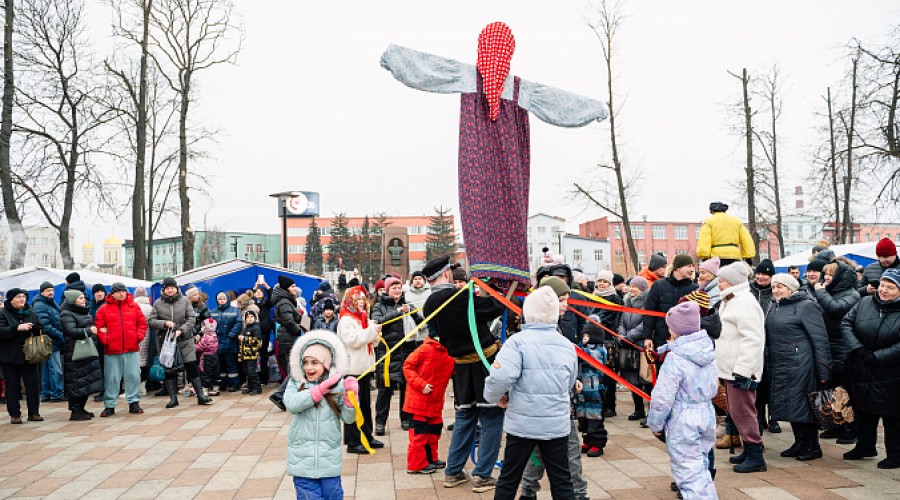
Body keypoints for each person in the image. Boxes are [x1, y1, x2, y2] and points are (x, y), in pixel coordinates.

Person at [485, 286, 578, 500]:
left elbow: (500, 376)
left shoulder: (517, 342)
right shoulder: (566, 345)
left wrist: (494, 396)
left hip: (522, 423)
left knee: (509, 478)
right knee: (562, 480)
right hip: (555, 423)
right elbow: (570, 381)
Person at [423, 255, 506, 493]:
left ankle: (453, 472)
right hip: (483, 362)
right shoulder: (459, 296)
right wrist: (500, 289)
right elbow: (492, 309)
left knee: (465, 416)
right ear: (447, 274)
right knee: (491, 418)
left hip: (460, 366)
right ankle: (482, 475)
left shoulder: (430, 303)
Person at [518, 276, 590, 500]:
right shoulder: (532, 335)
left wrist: (572, 379)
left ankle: (531, 492)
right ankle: (572, 494)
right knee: (559, 453)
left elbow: (561, 364)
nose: (566, 305)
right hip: (552, 407)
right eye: (561, 300)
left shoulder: (554, 330)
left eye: (567, 300)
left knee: (549, 453)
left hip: (548, 405)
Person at [646, 301, 718, 499]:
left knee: (689, 474)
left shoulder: (676, 358)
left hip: (683, 419)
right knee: (700, 468)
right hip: (706, 414)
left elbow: (663, 396)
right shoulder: (707, 351)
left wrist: (655, 423)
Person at [765, 274, 832, 462]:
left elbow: (820, 339)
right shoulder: (775, 306)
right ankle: (799, 442)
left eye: (781, 286)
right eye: (773, 286)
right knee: (792, 405)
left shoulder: (806, 305)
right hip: (782, 363)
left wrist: (824, 369)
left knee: (805, 405)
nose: (776, 290)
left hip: (803, 364)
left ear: (791, 288)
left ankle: (813, 445)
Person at [285, 329, 358, 499]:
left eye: (315, 363)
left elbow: (348, 418)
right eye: (305, 362)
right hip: (302, 462)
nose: (309, 367)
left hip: (329, 462)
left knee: (333, 496)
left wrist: (350, 399)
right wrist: (319, 390)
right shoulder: (296, 382)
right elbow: (292, 404)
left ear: (326, 364)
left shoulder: (337, 386)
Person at [841, 268, 900, 470]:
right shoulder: (865, 302)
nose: (883, 290)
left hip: (891, 369)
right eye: (883, 285)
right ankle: (865, 446)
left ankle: (895, 454)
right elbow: (847, 323)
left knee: (892, 413)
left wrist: (878, 357)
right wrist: (858, 349)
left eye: (890, 287)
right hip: (862, 362)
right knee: (864, 407)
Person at [715, 263, 766, 473]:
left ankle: (756, 455)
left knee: (744, 412)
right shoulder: (730, 300)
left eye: (722, 280)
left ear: (733, 281)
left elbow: (753, 338)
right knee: (736, 412)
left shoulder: (744, 302)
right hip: (730, 368)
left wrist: (743, 369)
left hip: (741, 369)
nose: (718, 283)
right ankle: (749, 448)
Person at [336, 285, 384, 454]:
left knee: (365, 405)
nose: (362, 303)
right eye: (358, 300)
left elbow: (372, 342)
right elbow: (353, 341)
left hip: (364, 369)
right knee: (352, 407)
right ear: (350, 301)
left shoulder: (362, 317)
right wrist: (371, 331)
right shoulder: (346, 320)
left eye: (364, 300)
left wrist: (375, 333)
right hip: (352, 371)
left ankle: (367, 435)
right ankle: (353, 441)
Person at [372, 276, 423, 434]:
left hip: (406, 352)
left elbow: (421, 322)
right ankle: (380, 422)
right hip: (388, 353)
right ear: (387, 290)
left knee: (406, 387)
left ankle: (406, 418)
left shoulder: (407, 304)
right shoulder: (379, 306)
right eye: (393, 288)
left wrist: (413, 313)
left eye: (399, 287)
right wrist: (398, 312)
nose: (397, 290)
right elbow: (378, 322)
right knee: (385, 389)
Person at [149, 277, 208, 407]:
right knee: (170, 369)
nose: (170, 290)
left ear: (176, 288)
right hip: (167, 342)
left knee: (192, 366)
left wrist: (181, 330)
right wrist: (165, 323)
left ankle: (201, 395)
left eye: (172, 287)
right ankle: (173, 398)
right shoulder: (158, 303)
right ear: (164, 289)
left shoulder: (185, 301)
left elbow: (191, 318)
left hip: (185, 340)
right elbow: (151, 321)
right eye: (167, 288)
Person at [402, 329, 455, 474]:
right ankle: (416, 464)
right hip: (418, 402)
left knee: (434, 432)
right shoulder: (424, 349)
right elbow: (407, 366)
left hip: (435, 402)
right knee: (419, 435)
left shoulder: (449, 352)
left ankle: (430, 459)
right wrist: (421, 384)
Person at [95, 283, 147, 417]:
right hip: (112, 349)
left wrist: (138, 337)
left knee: (133, 376)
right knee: (111, 378)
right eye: (118, 292)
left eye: (123, 291)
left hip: (132, 347)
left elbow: (142, 324)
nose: (122, 294)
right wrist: (107, 340)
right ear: (112, 294)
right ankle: (110, 405)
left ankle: (134, 402)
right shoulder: (103, 309)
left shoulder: (134, 307)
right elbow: (99, 327)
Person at [0, 288, 43, 423]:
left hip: (30, 355)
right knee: (12, 385)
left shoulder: (30, 312)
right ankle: (15, 414)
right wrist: (16, 328)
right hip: (10, 356)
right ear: (11, 299)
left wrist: (36, 328)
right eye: (18, 297)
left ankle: (34, 413)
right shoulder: (3, 313)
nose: (22, 299)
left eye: (23, 297)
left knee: (33, 384)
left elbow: (41, 327)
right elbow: (1, 331)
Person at [60, 290, 103, 421]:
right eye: (80, 298)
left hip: (86, 350)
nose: (83, 300)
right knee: (76, 381)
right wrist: (88, 331)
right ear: (73, 300)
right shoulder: (66, 313)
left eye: (83, 298)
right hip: (75, 352)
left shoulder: (83, 311)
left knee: (85, 381)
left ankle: (81, 408)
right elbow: (71, 331)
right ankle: (75, 410)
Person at [641, 254, 699, 352]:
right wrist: (647, 337)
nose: (692, 269)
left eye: (693, 266)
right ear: (678, 268)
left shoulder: (694, 289)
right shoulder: (659, 286)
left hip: (685, 342)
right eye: (688, 266)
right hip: (662, 339)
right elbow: (649, 313)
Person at [749, 259, 778, 434]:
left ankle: (773, 418)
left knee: (772, 383)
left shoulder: (775, 293)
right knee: (757, 383)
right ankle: (759, 418)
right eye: (759, 274)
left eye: (765, 274)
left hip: (771, 343)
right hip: (754, 343)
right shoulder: (749, 291)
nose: (761, 277)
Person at [617, 276, 651, 421]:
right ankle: (638, 410)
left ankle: (651, 412)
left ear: (642, 289)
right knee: (632, 379)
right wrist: (621, 336)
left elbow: (645, 324)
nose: (631, 289)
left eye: (635, 286)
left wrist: (630, 336)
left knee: (645, 379)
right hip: (628, 346)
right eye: (630, 286)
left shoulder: (647, 305)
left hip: (641, 345)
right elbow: (621, 323)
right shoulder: (627, 304)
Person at [592, 270, 622, 418]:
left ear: (610, 283)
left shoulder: (614, 298)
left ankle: (610, 406)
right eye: (600, 281)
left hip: (607, 340)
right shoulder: (593, 296)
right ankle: (600, 404)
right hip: (593, 340)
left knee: (608, 375)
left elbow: (605, 319)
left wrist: (591, 321)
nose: (601, 284)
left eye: (605, 281)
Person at [32, 282, 65, 403]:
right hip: (50, 341)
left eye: (52, 290)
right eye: (47, 290)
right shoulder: (40, 305)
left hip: (50, 340)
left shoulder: (50, 303)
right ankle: (56, 393)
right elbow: (45, 325)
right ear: (42, 292)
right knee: (55, 368)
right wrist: (60, 335)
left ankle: (46, 393)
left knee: (47, 368)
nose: (50, 292)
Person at [696, 201, 756, 266]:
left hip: (716, 258)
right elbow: (746, 239)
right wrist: (748, 257)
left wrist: (705, 257)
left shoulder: (708, 222)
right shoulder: (736, 221)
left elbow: (704, 241)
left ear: (712, 211)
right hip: (734, 257)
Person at [210, 291, 241, 392]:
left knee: (231, 364)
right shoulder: (213, 312)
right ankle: (222, 384)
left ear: (227, 299)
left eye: (223, 299)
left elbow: (238, 323)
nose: (222, 300)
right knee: (220, 365)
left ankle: (234, 384)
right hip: (217, 342)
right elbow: (210, 325)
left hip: (231, 342)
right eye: (220, 299)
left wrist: (231, 335)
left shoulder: (235, 311)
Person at [251, 280, 273, 385]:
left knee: (264, 354)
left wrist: (266, 286)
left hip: (264, 331)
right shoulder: (251, 304)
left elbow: (272, 297)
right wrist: (254, 287)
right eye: (257, 292)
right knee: (253, 355)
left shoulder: (266, 303)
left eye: (261, 291)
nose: (258, 293)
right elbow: (247, 297)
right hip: (253, 332)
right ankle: (255, 378)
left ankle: (264, 378)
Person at [132, 287, 154, 394]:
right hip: (148, 337)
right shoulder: (150, 308)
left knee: (135, 363)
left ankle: (136, 388)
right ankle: (143, 386)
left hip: (137, 337)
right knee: (145, 362)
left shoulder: (133, 307)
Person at [238, 310, 263, 394]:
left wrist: (245, 339)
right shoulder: (246, 328)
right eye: (248, 317)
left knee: (251, 371)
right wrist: (240, 355)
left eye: (251, 317)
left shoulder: (256, 328)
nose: (249, 319)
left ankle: (257, 388)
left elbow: (258, 341)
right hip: (245, 354)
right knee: (247, 371)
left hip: (252, 354)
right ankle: (250, 387)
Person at [196, 318, 220, 396]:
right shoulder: (215, 335)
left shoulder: (206, 336)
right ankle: (216, 387)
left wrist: (194, 346)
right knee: (214, 371)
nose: (201, 328)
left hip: (206, 357)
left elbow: (201, 347)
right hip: (214, 355)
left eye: (202, 326)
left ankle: (205, 389)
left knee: (205, 372)